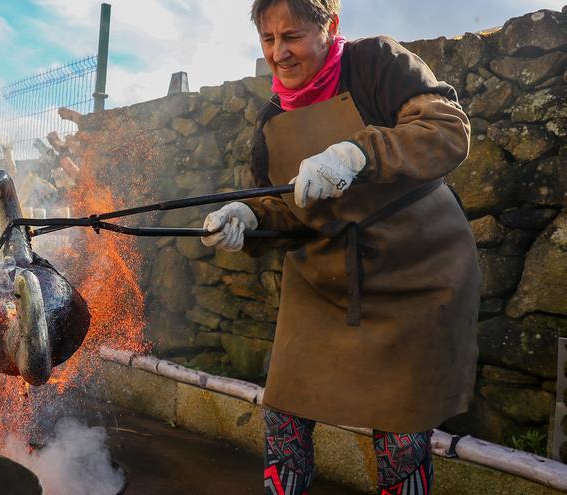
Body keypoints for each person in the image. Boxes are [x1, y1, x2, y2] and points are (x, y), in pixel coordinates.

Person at [201, 1, 481, 494]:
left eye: (292, 36)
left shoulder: (376, 63)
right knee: (285, 414)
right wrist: (249, 217)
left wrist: (357, 153)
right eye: (268, 40)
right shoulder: (271, 120)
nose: (279, 53)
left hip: (416, 273)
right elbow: (285, 210)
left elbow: (447, 130)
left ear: (331, 26)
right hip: (323, 282)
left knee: (399, 433)